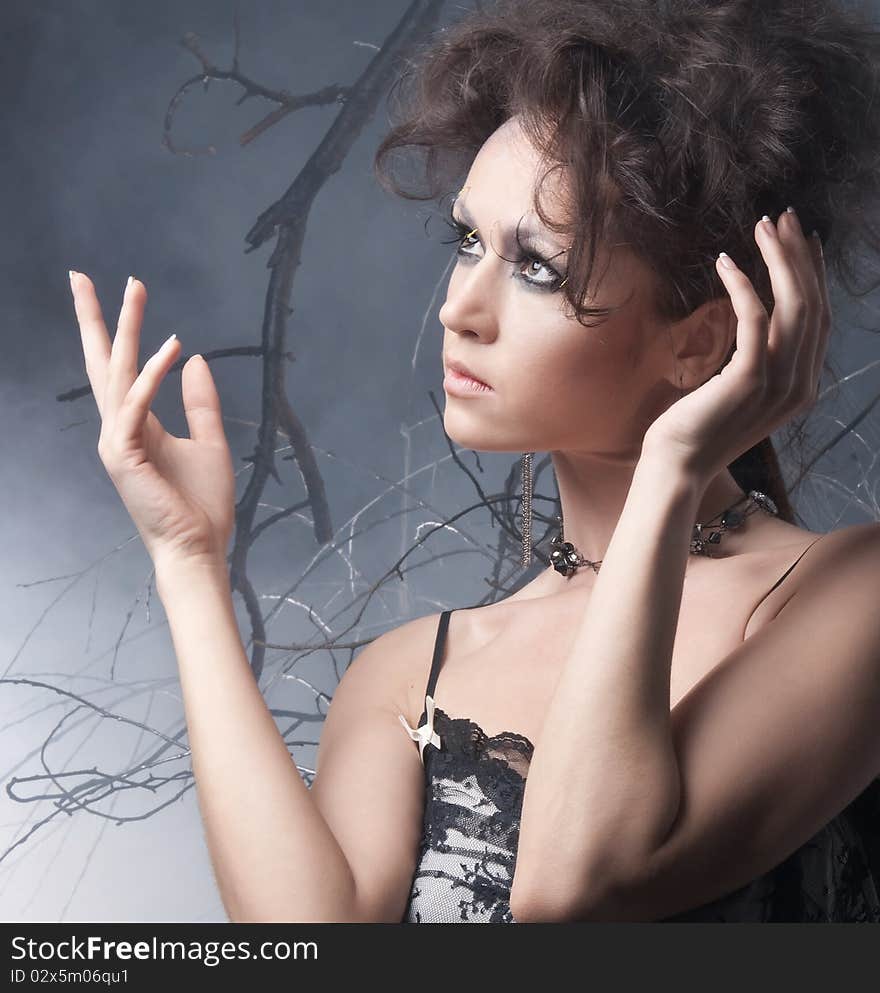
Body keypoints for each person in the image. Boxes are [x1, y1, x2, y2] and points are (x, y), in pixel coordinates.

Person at [69, 0, 880, 922]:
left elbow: (573, 891)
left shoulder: (855, 597)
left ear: (700, 342)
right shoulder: (413, 672)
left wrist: (672, 471)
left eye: (537, 266)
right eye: (466, 241)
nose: (460, 308)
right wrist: (187, 563)